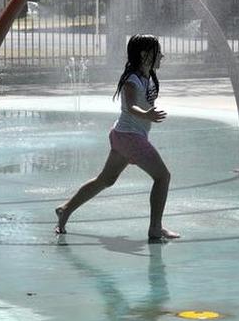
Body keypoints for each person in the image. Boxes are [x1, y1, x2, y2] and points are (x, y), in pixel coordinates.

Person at [55, 34, 179, 243]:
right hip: (130, 137)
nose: (162, 55)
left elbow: (143, 103)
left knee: (105, 180)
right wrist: (146, 114)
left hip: (124, 136)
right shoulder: (132, 80)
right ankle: (155, 228)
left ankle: (65, 209)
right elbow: (131, 106)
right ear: (144, 54)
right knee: (162, 177)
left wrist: (148, 113)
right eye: (158, 52)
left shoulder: (148, 77)